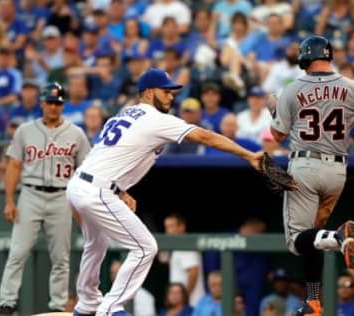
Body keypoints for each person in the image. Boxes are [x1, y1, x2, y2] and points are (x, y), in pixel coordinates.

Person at [66, 68, 264, 316]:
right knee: (145, 247)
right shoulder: (155, 118)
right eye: (166, 91)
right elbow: (204, 136)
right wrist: (247, 154)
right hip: (97, 190)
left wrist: (121, 188)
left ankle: (86, 305)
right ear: (149, 93)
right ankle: (110, 308)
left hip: (80, 185)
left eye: (172, 92)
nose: (171, 97)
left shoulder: (124, 113)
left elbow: (114, 155)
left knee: (96, 244)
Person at [268, 35, 354, 316]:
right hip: (338, 170)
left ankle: (339, 236)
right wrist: (352, 115)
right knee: (313, 238)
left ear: (305, 58)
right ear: (329, 56)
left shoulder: (292, 89)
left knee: (297, 239)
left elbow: (277, 135)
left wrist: (273, 108)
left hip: (305, 167)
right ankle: (313, 302)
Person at [0, 82, 91, 315]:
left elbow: (86, 169)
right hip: (30, 194)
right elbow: (14, 166)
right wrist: (9, 200)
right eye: (50, 102)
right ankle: (7, 304)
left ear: (63, 105)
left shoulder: (76, 133)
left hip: (61, 196)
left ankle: (58, 308)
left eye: (58, 103)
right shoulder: (25, 130)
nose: (53, 107)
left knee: (60, 257)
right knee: (18, 253)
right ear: (41, 103)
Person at [162, 213, 205, 306]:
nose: (168, 231)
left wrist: (184, 298)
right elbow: (163, 259)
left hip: (191, 303)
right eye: (166, 227)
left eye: (171, 226)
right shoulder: (177, 246)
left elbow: (193, 271)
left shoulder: (185, 246)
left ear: (181, 227)